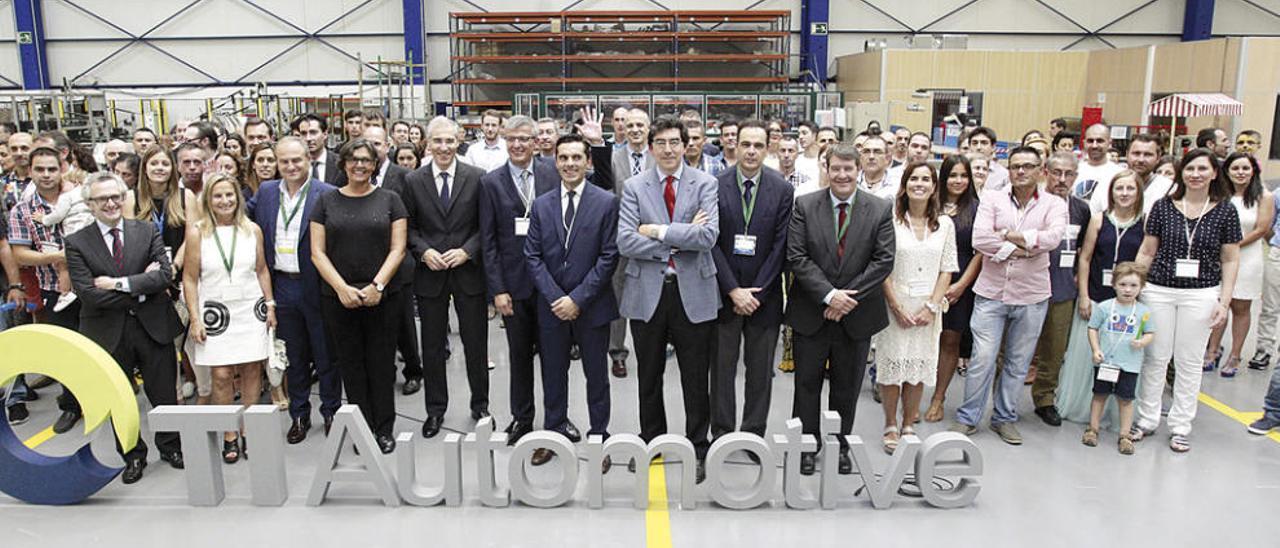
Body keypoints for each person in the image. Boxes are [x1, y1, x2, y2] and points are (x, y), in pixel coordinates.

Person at [616, 115, 719, 482]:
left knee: (695, 376)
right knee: (649, 374)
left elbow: (707, 237)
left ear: (688, 144)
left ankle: (698, 445)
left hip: (694, 292)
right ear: (650, 146)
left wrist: (658, 231)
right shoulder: (634, 186)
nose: (669, 149)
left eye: (676, 142)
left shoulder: (706, 183)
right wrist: (680, 238)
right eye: (661, 143)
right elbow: (625, 241)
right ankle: (652, 441)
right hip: (648, 292)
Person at [64, 172, 185, 483]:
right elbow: (88, 294)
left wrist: (119, 284)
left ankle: (171, 447)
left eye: (115, 196)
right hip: (107, 333)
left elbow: (164, 276)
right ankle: (132, 455)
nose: (110, 203)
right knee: (119, 399)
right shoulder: (76, 243)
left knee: (163, 394)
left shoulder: (146, 231)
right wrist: (142, 288)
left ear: (124, 198)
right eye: (102, 198)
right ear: (89, 204)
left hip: (153, 327)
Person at [787, 143, 894, 475]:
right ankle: (806, 446)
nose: (843, 175)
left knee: (846, 387)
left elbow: (884, 260)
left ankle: (841, 446)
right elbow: (797, 256)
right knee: (806, 384)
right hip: (812, 312)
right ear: (827, 169)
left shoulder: (879, 208)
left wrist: (847, 298)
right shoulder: (805, 205)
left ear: (859, 169)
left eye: (849, 168)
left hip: (857, 315)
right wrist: (828, 295)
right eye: (836, 168)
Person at [951, 145, 1067, 445]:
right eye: (1016, 166)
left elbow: (1053, 238)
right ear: (1008, 169)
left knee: (1018, 362)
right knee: (982, 358)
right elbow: (981, 239)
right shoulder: (991, 198)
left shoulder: (1055, 204)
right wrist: (1027, 249)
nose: (1021, 171)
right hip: (991, 294)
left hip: (1032, 296)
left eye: (1028, 166)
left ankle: (1004, 418)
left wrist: (1012, 238)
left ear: (1040, 170)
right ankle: (969, 418)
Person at [1133, 148, 1240, 453]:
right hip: (1159, 290)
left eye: (1202, 169)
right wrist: (1136, 286)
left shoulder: (1225, 210)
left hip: (1201, 293)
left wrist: (1224, 300)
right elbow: (1147, 250)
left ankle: (1180, 425)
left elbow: (1231, 259)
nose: (1195, 174)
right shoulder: (1163, 207)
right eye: (1190, 168)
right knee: (1155, 357)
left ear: (1214, 173)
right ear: (1181, 172)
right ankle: (1147, 419)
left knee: (1189, 362)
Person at [524, 133, 621, 468]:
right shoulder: (541, 204)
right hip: (551, 308)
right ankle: (553, 433)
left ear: (588, 161)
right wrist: (557, 298)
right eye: (563, 158)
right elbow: (532, 257)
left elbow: (609, 257)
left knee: (597, 376)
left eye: (576, 157)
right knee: (553, 373)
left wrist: (577, 298)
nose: (569, 164)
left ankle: (599, 437)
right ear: (556, 162)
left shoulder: (606, 202)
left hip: (592, 306)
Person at [309, 138, 409, 455]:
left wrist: (377, 286)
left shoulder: (391, 200)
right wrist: (341, 288)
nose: (360, 165)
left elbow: (398, 248)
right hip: (338, 297)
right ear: (344, 164)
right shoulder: (326, 202)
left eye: (366, 160)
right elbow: (317, 253)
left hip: (381, 296)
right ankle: (361, 427)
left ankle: (384, 428)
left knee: (381, 364)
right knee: (350, 365)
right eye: (353, 160)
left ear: (374, 165)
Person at [246, 137, 342, 444]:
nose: (290, 166)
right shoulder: (265, 193)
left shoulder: (326, 194)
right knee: (294, 356)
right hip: (282, 286)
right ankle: (299, 414)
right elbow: (240, 219)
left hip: (318, 285)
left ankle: (331, 411)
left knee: (326, 353)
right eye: (283, 161)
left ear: (309, 161)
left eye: (296, 161)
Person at [402, 116, 490, 438]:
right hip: (430, 274)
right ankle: (435, 410)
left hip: (468, 273)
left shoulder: (478, 178)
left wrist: (467, 251)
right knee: (433, 347)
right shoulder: (413, 181)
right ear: (426, 142)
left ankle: (480, 404)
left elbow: (486, 226)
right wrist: (423, 251)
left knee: (475, 343)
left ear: (459, 141)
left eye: (449, 141)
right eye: (436, 141)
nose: (443, 147)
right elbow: (407, 227)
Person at [709, 120, 793, 445]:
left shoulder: (782, 189)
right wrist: (733, 290)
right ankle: (722, 434)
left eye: (758, 145)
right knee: (722, 371)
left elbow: (781, 245)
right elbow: (711, 241)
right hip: (725, 295)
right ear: (734, 145)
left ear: (767, 147)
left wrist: (756, 291)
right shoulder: (715, 185)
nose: (751, 151)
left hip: (765, 297)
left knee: (760, 374)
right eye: (746, 144)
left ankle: (753, 434)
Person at [479, 115, 560, 445]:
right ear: (503, 139)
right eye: (511, 139)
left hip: (551, 285)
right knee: (519, 357)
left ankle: (557, 419)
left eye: (524, 139)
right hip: (513, 288)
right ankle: (522, 418)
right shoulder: (490, 182)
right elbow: (488, 241)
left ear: (536, 141)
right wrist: (497, 290)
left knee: (554, 358)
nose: (517, 145)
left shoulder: (552, 173)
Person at [183, 174, 273, 463]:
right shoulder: (197, 232)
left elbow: (261, 270)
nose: (225, 201)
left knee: (252, 371)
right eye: (218, 196)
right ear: (208, 200)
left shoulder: (253, 230)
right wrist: (195, 319)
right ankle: (228, 434)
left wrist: (270, 305)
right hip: (215, 313)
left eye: (229, 195)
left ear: (239, 197)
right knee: (221, 376)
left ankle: (248, 430)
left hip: (250, 308)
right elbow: (189, 278)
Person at [874, 162, 957, 452]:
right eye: (913, 178)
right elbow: (881, 266)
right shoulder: (890, 220)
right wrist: (896, 307)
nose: (919, 184)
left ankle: (909, 422)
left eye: (926, 179)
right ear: (905, 184)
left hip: (927, 309)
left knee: (919, 368)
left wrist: (932, 306)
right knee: (892, 368)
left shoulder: (945, 225)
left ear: (935, 187)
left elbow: (947, 269)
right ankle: (890, 424)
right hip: (893, 305)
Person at [9, 147, 86, 433]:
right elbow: (20, 254)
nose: (46, 175)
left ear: (61, 169)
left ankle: (106, 398)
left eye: (52, 169)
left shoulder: (80, 198)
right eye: (40, 169)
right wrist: (59, 258)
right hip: (54, 289)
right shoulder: (23, 210)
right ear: (30, 171)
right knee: (66, 351)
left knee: (102, 346)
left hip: (92, 286)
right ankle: (71, 405)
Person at [1028, 151, 1091, 427]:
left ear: (1076, 177)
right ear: (1045, 172)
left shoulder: (1081, 209)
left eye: (1069, 174)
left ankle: (1044, 398)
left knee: (1054, 351)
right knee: (1016, 349)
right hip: (1028, 288)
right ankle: (1002, 401)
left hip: (1063, 290)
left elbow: (1083, 251)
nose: (1062, 179)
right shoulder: (1032, 204)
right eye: (1057, 173)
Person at [358, 125, 422, 393]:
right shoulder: (352, 175)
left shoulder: (405, 177)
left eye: (378, 143)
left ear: (388, 146)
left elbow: (414, 219)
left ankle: (413, 371)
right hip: (364, 264)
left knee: (403, 323)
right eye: (367, 143)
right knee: (372, 327)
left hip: (398, 263)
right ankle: (383, 371)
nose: (373, 148)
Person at [1204, 153, 1271, 376]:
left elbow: (1261, 229)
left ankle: (1235, 355)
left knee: (1241, 308)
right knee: (1219, 304)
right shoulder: (1220, 195)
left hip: (1248, 258)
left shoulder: (1263, 195)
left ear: (1254, 171)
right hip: (1219, 258)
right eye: (1236, 168)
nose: (1240, 172)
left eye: (1245, 168)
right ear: (1227, 171)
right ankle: (1212, 351)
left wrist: (1233, 245)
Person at [927, 154, 981, 423]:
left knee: (950, 339)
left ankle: (938, 398)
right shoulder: (929, 204)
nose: (958, 181)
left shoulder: (977, 208)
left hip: (960, 281)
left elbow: (980, 253)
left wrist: (961, 285)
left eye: (964, 175)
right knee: (923, 338)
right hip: (927, 278)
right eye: (953, 175)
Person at [1081, 261, 1153, 455]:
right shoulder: (1104, 307)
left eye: (1133, 286)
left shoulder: (1143, 312)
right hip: (1106, 362)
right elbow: (1092, 328)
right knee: (1099, 395)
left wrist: (1143, 342)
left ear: (1141, 287)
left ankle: (1124, 434)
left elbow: (1150, 333)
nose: (1127, 290)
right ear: (1113, 285)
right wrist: (1096, 350)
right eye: (1122, 285)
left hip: (1129, 365)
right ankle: (1092, 428)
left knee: (1126, 399)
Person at [607, 108, 654, 378]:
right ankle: (617, 353)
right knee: (619, 295)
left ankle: (650, 347)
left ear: (648, 128)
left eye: (640, 125)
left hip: (651, 239)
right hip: (621, 239)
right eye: (629, 124)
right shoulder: (613, 159)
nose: (635, 129)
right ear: (622, 128)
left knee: (652, 293)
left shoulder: (660, 159)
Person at [1070, 124, 1123, 204]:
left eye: (1100, 141)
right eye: (1090, 141)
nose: (1094, 145)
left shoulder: (1120, 173)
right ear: (1084, 143)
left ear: (1109, 143)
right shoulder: (1073, 170)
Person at [298, 114, 340, 185]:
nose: (308, 138)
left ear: (325, 134)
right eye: (303, 133)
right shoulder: (294, 164)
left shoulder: (340, 164)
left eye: (313, 132)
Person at [856, 135, 896, 200]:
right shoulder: (851, 182)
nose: (871, 156)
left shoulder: (897, 185)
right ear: (860, 157)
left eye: (877, 152)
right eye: (866, 151)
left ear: (887, 158)